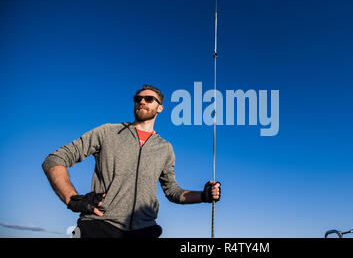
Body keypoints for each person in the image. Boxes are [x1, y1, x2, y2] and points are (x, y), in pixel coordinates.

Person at [42, 84, 221, 238]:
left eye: (149, 99)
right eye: (138, 98)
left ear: (160, 108)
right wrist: (72, 198)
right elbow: (54, 159)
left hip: (145, 231)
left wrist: (203, 196)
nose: (142, 102)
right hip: (99, 226)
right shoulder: (107, 132)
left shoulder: (165, 148)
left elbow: (173, 191)